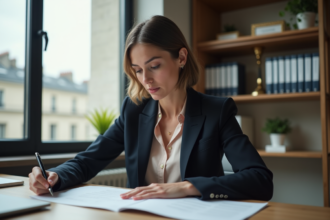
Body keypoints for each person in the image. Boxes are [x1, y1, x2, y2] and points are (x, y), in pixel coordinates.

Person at [29, 15, 273, 201]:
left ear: (181, 58)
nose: (145, 79)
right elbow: (88, 161)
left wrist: (188, 186)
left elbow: (260, 179)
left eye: (154, 66)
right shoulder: (133, 111)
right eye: (137, 70)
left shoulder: (217, 112)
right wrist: (55, 176)